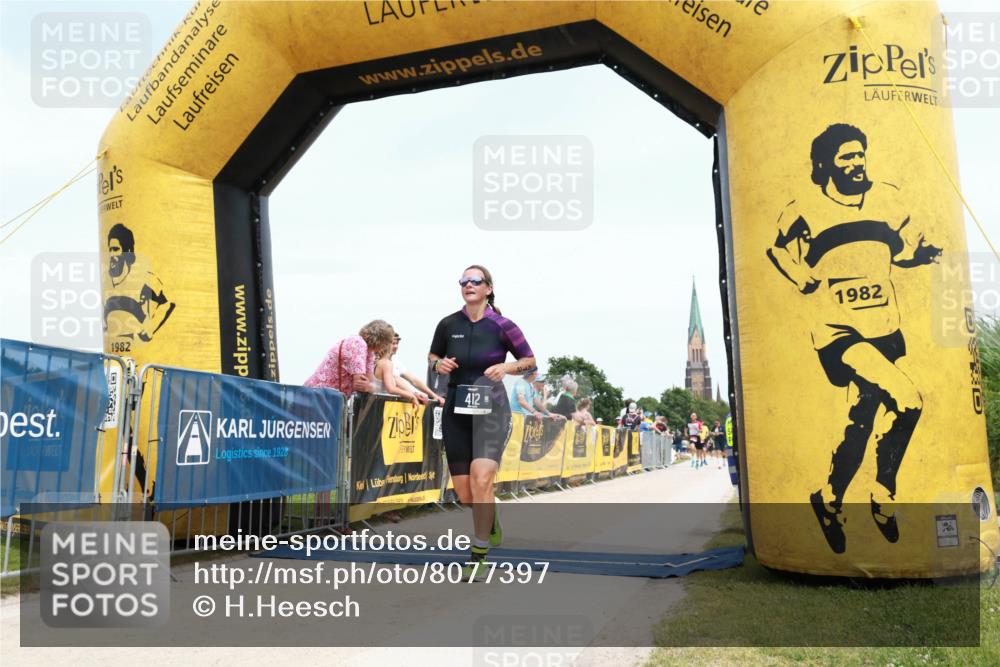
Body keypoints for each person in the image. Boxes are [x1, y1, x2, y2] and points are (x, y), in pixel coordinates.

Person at [767, 123, 939, 554]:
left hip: (885, 327)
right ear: (825, 164)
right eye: (846, 156)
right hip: (838, 332)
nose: (857, 162)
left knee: (859, 425)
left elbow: (898, 254)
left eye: (860, 154)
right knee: (910, 399)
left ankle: (827, 500)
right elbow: (777, 248)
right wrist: (800, 274)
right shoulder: (805, 206)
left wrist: (919, 256)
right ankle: (883, 495)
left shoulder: (888, 199)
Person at [428, 265, 536, 580]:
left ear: (488, 288)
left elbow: (530, 360)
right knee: (465, 493)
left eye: (475, 280)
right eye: (464, 281)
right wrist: (439, 364)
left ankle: (478, 553)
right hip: (457, 412)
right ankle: (491, 516)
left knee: (482, 478)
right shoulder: (448, 324)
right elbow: (432, 356)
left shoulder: (503, 326)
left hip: (492, 410)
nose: (468, 284)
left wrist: (507, 368)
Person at [103, 223, 175, 349]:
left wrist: (150, 327)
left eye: (115, 249)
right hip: (116, 360)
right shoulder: (107, 284)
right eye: (110, 250)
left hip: (142, 358)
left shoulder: (142, 279)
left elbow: (169, 302)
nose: (111, 255)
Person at [304, 319, 395, 398]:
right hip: (317, 396)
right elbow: (360, 384)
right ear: (381, 340)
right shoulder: (357, 343)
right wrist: (374, 387)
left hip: (326, 398)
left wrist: (371, 387)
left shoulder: (369, 353)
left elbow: (370, 383)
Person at [387, 333, 445, 406]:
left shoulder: (395, 361)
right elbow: (396, 379)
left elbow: (414, 380)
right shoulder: (381, 362)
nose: (396, 346)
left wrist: (434, 395)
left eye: (397, 343)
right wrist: (415, 393)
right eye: (393, 343)